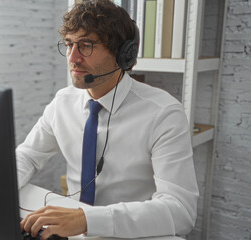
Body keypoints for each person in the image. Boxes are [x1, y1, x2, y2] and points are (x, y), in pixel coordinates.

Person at [17, 0, 199, 239]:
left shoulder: (163, 114)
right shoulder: (63, 102)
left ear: (123, 54)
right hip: (71, 232)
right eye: (69, 44)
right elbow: (28, 155)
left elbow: (181, 211)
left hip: (129, 232)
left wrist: (87, 220)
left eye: (86, 45)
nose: (73, 57)